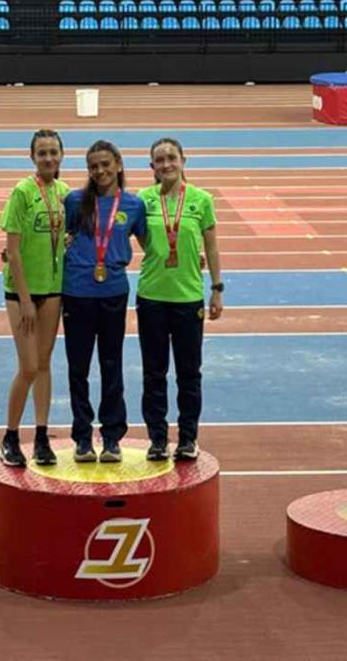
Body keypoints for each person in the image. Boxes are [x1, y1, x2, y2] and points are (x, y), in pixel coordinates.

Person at [137, 138, 223, 461]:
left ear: (184, 160)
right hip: (151, 297)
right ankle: (157, 439)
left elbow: (212, 247)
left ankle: (188, 438)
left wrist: (217, 287)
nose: (166, 164)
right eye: (159, 160)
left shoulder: (201, 200)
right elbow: (139, 238)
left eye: (171, 158)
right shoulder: (142, 200)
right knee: (154, 372)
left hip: (189, 299)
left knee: (189, 373)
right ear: (152, 168)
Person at [61, 141, 146, 463]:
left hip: (113, 291)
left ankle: (112, 437)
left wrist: (195, 256)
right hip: (77, 292)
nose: (100, 171)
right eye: (93, 166)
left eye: (105, 164)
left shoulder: (134, 205)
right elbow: (59, 238)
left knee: (112, 365)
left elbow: (151, 245)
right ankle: (82, 437)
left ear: (119, 164)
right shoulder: (74, 201)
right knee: (78, 367)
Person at [0, 129, 70, 467]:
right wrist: (25, 299)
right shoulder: (22, 192)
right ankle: (10, 435)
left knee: (43, 364)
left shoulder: (66, 194)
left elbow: (71, 235)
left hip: (53, 288)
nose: (48, 158)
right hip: (22, 293)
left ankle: (41, 436)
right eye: (42, 153)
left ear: (62, 155)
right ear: (32, 157)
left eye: (53, 152)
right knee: (27, 366)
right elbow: (12, 250)